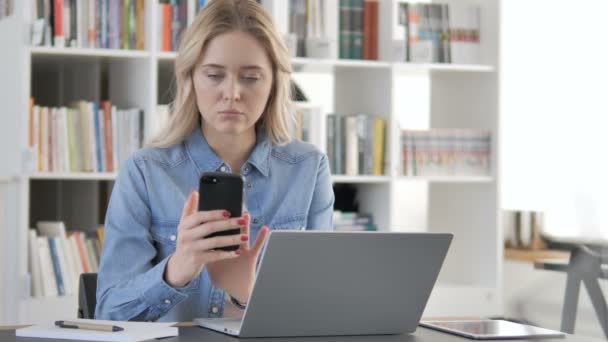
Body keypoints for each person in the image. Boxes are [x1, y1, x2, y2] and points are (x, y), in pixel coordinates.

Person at [95, 0, 334, 322]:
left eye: (250, 77)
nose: (232, 93)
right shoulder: (146, 171)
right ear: (190, 78)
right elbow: (108, 313)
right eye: (214, 75)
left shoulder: (308, 167)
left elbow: (320, 310)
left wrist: (245, 293)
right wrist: (178, 268)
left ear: (274, 83)